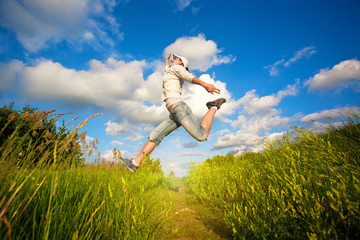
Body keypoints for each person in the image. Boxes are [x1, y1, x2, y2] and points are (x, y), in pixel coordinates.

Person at [121, 53, 226, 172]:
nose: (173, 59)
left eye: (176, 58)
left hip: (179, 109)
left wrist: (205, 85)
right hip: (174, 114)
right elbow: (167, 69)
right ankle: (135, 163)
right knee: (155, 136)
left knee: (201, 136)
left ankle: (213, 107)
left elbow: (188, 76)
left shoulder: (178, 68)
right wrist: (166, 61)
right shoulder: (171, 69)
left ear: (181, 63)